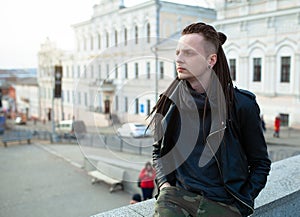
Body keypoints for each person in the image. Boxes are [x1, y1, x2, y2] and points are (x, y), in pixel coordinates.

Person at [149, 22, 271, 217]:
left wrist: (241, 203)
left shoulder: (241, 105)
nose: (179, 59)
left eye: (188, 53)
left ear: (211, 60)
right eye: (178, 52)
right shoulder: (171, 102)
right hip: (176, 198)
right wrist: (164, 185)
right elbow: (158, 151)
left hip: (223, 204)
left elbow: (260, 163)